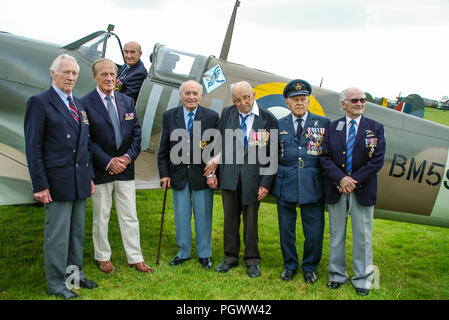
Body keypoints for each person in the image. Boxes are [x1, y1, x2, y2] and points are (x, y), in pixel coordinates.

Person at [24, 54, 98, 299]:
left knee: (76, 233)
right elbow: (33, 147)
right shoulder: (39, 102)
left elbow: (85, 144)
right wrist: (40, 184)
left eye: (74, 73)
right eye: (65, 72)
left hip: (79, 180)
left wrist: (89, 177)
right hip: (56, 181)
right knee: (57, 236)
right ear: (52, 73)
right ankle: (57, 283)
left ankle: (74, 276)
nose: (71, 77)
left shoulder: (78, 103)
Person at [81, 58, 153, 274]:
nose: (109, 78)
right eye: (104, 74)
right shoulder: (84, 103)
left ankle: (135, 257)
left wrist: (127, 159)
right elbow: (86, 139)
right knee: (101, 216)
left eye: (112, 74)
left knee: (130, 215)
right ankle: (102, 257)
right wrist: (108, 161)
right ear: (95, 77)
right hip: (102, 169)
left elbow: (137, 134)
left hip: (125, 169)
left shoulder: (126, 101)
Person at [207, 81, 278, 278]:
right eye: (237, 99)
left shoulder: (268, 119)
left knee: (250, 222)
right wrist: (213, 172)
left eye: (246, 97)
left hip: (253, 180)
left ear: (253, 94)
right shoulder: (228, 113)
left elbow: (272, 154)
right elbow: (218, 144)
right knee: (230, 220)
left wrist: (266, 183)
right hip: (230, 176)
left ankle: (252, 261)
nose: (242, 103)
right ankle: (230, 257)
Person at [319, 87, 386, 296]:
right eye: (354, 100)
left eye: (362, 100)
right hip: (337, 189)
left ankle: (363, 280)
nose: (359, 103)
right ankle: (336, 275)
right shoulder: (332, 127)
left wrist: (352, 181)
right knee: (336, 235)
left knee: (363, 237)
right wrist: (341, 179)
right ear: (343, 104)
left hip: (362, 191)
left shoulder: (375, 128)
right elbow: (324, 157)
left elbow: (377, 161)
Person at [271, 79, 330, 283]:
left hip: (312, 184)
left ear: (308, 101)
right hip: (285, 183)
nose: (299, 102)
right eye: (295, 99)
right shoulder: (278, 125)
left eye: (303, 99)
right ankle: (290, 265)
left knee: (313, 231)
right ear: (287, 102)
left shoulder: (323, 124)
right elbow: (270, 155)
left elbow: (328, 156)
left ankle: (310, 267)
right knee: (286, 229)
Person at [157, 80, 219, 269]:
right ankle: (183, 252)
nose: (191, 97)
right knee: (181, 215)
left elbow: (217, 146)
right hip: (178, 175)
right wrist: (164, 173)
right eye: (187, 93)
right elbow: (164, 148)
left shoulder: (211, 116)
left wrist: (214, 170)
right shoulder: (169, 116)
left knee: (203, 215)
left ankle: (204, 254)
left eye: (195, 93)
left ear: (200, 95)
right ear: (181, 95)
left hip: (202, 174)